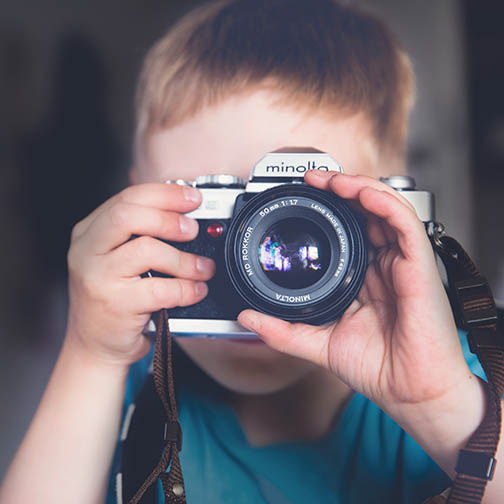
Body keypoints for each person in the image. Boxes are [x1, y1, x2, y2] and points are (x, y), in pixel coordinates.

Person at [1, 0, 502, 503]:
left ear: (389, 214)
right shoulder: (130, 383)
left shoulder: (452, 382)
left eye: (301, 218)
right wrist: (90, 355)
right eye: (220, 220)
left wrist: (443, 411)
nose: (256, 266)